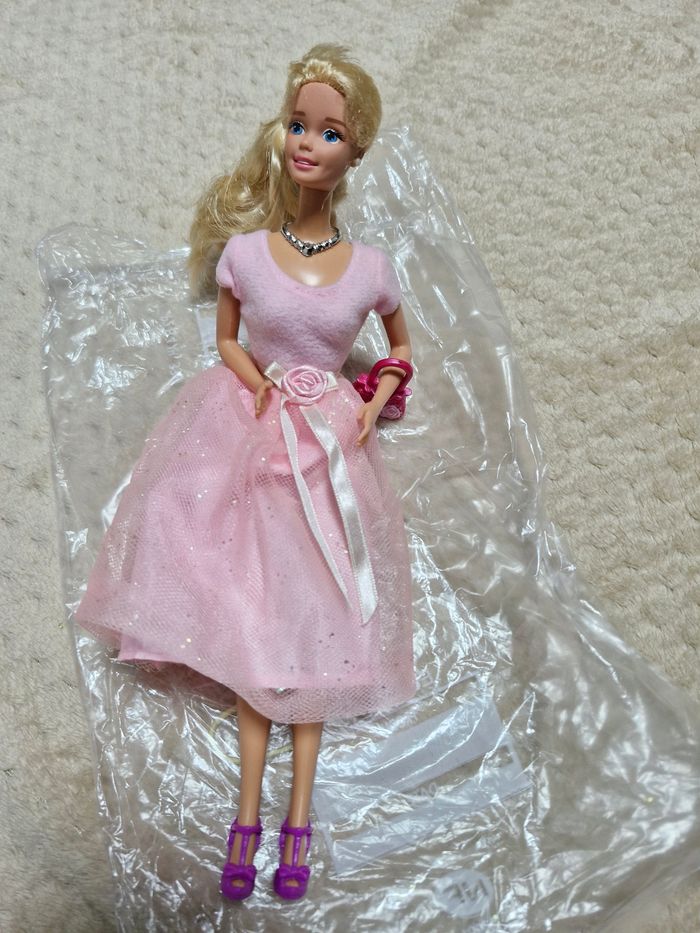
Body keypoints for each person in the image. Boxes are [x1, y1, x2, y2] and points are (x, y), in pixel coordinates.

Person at [73, 43, 416, 902]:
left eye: (329, 132)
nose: (308, 143)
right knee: (253, 621)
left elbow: (402, 348)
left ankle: (296, 823)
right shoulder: (247, 253)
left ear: (355, 151)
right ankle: (246, 818)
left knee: (316, 628)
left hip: (327, 443)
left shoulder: (371, 268)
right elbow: (227, 337)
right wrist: (255, 379)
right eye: (299, 124)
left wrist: (374, 397)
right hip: (249, 432)